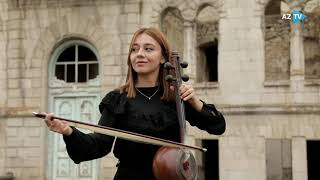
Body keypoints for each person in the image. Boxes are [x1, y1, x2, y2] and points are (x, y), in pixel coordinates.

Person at [44, 27, 226, 180]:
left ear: (163, 57)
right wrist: (68, 131)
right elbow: (98, 146)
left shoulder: (175, 97)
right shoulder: (118, 99)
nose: (139, 54)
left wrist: (194, 101)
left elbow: (217, 126)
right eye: (134, 49)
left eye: (148, 49)